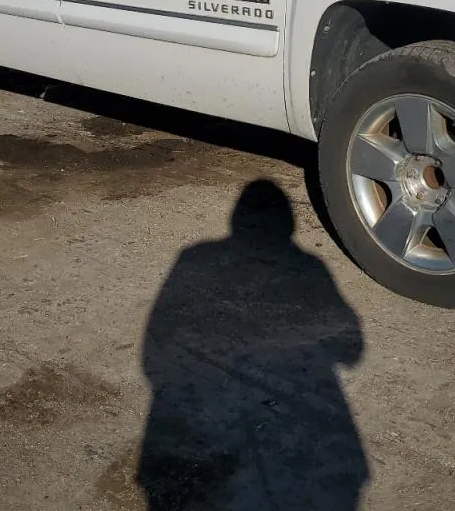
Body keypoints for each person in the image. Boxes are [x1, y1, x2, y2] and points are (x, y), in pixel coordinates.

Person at [135, 179, 369, 510]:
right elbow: (352, 350)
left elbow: (155, 351)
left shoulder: (195, 258)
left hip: (202, 429)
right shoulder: (309, 268)